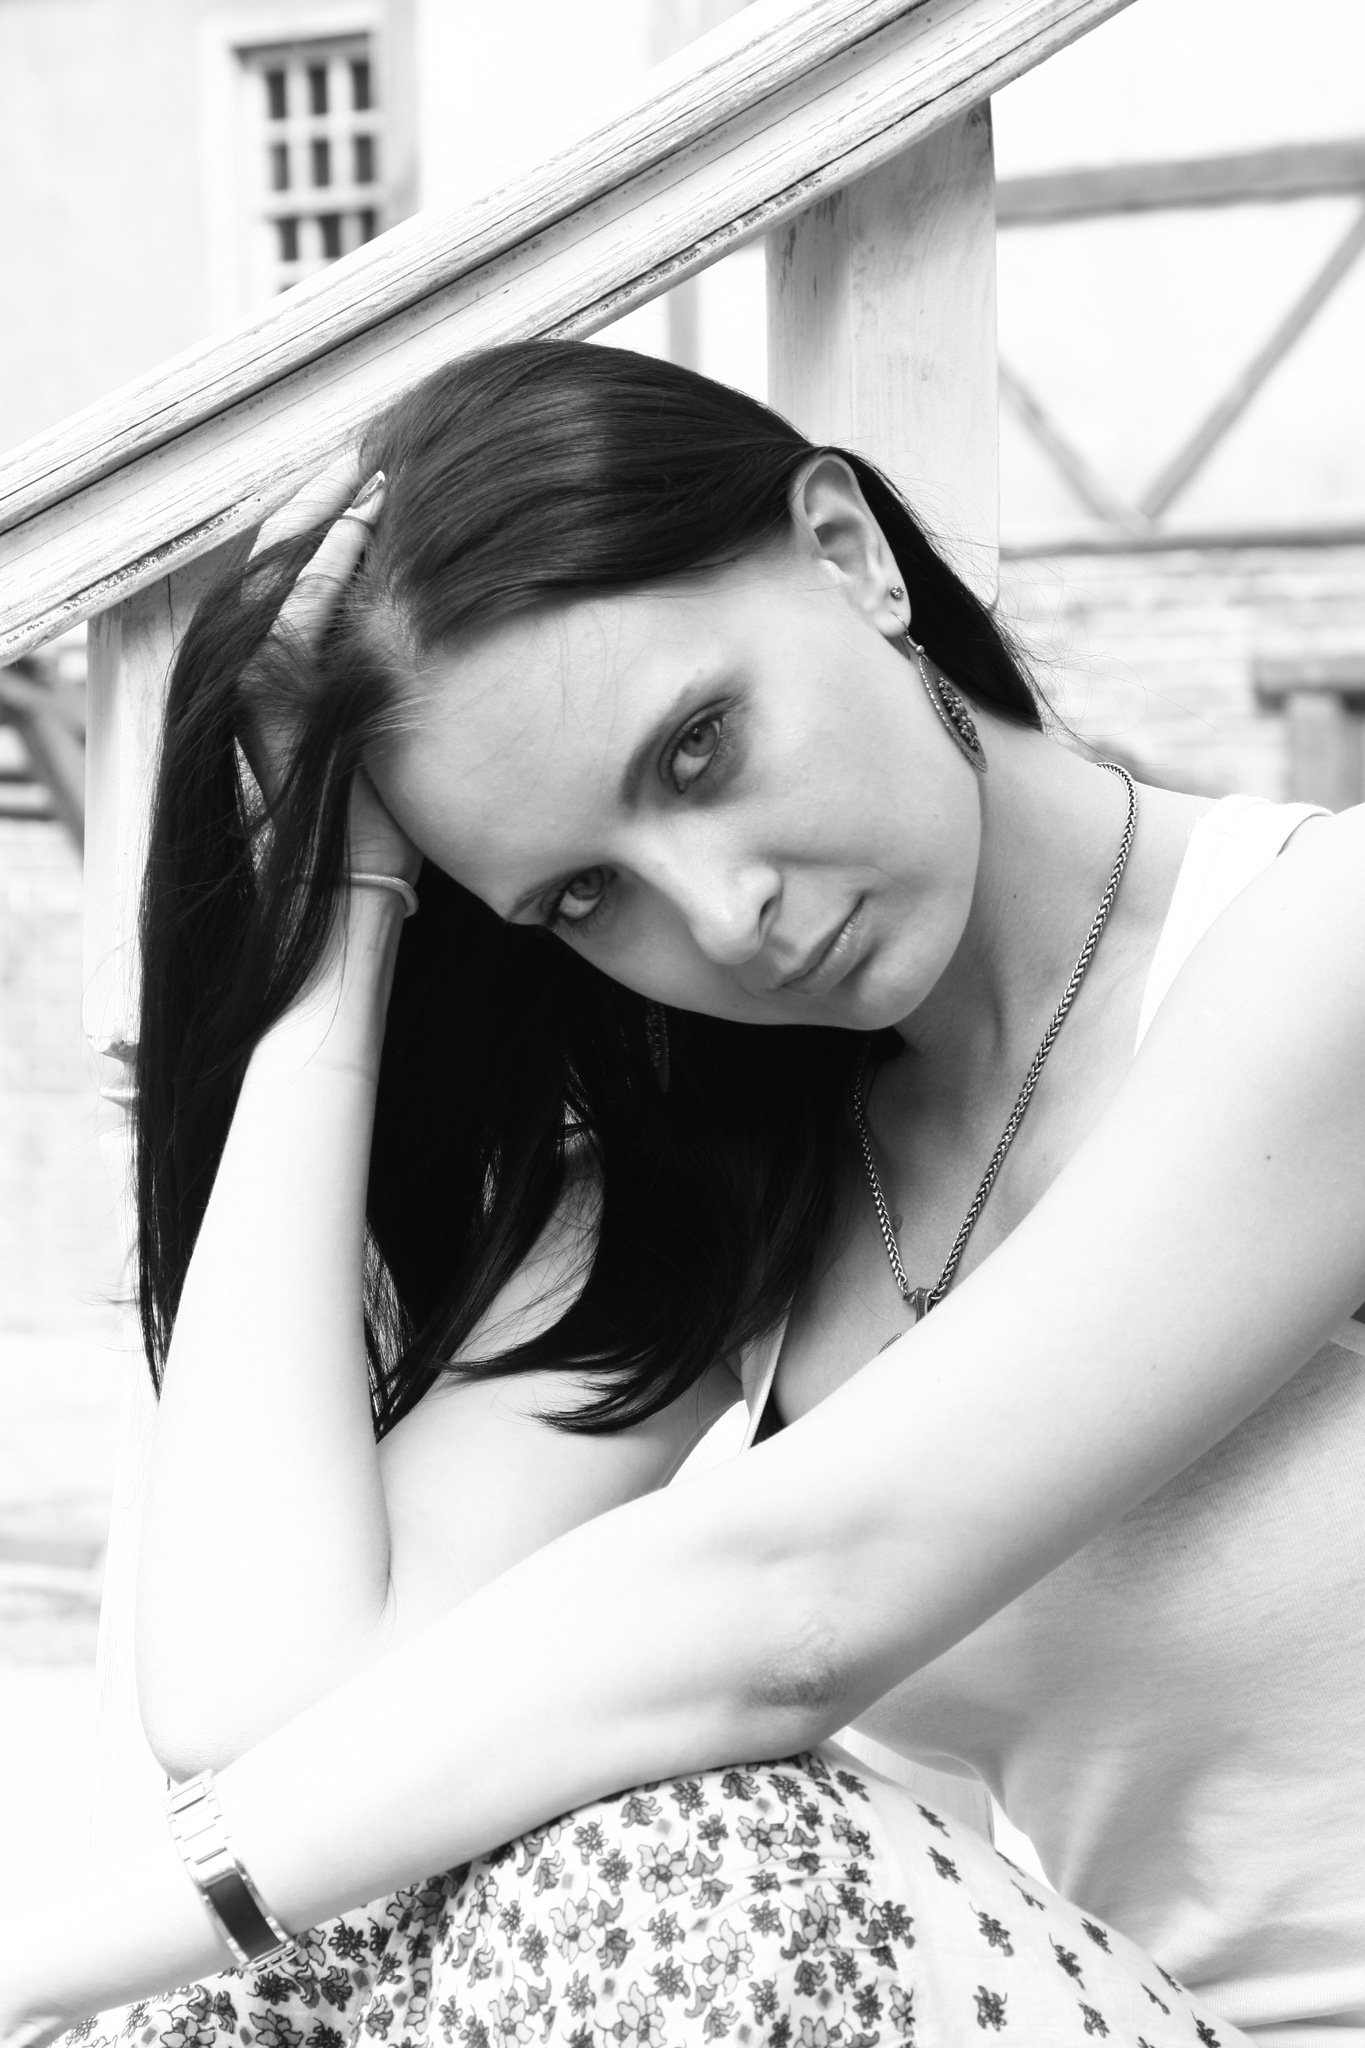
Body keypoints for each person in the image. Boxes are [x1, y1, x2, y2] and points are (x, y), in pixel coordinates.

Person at [3, 341, 1362, 2048]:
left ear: (848, 555)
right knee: (343, 1919)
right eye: (582, 898)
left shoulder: (1323, 942)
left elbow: (794, 1604)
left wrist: (45, 1950)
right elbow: (264, 1708)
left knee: (685, 1842)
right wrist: (338, 909)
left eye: (700, 751)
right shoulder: (760, 1177)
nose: (722, 918)